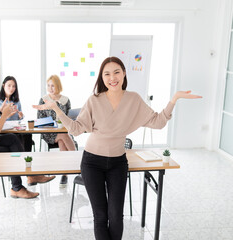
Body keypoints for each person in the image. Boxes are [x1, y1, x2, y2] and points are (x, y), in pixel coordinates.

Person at [33, 57, 202, 239]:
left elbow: (159, 122)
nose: (112, 78)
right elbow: (76, 129)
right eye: (107, 74)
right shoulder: (94, 100)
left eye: (116, 72)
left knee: (116, 216)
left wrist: (174, 99)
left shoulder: (133, 99)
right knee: (100, 216)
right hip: (92, 163)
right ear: (102, 77)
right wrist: (57, 110)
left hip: (117, 163)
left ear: (124, 74)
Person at [37, 75, 76, 187]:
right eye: (48, 85)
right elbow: (40, 119)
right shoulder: (43, 99)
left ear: (58, 86)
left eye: (53, 85)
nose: (50, 88)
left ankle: (64, 174)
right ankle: (78, 161)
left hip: (63, 131)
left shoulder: (65, 100)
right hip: (48, 132)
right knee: (63, 136)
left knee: (62, 141)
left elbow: (69, 117)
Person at [0, 76, 33, 152]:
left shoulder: (16, 101)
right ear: (3, 85)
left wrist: (21, 116)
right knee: (16, 138)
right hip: (5, 129)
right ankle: (20, 156)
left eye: (14, 86)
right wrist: (7, 115)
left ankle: (26, 157)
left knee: (28, 135)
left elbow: (20, 118)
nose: (11, 88)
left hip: (16, 128)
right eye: (9, 85)